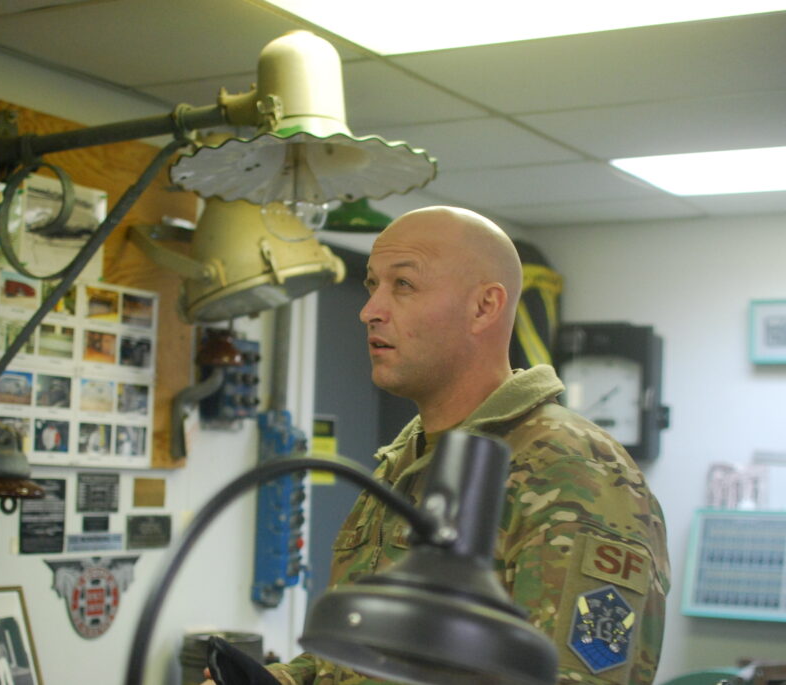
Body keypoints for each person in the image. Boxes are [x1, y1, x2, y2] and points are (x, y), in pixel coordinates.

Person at [213, 206, 670, 684]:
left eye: (403, 285)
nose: (370, 310)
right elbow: (357, 663)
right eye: (372, 285)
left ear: (484, 307)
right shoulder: (409, 458)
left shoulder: (572, 467)